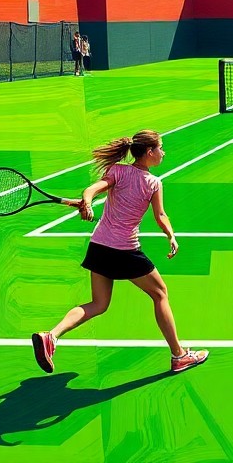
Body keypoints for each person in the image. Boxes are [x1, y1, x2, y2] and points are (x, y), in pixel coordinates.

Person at [31, 131, 208, 374]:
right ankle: (179, 356)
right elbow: (160, 216)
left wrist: (88, 201)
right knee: (160, 294)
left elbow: (92, 189)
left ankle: (51, 336)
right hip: (124, 250)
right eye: (160, 148)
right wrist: (171, 236)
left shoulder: (117, 171)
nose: (163, 153)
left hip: (99, 247)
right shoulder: (153, 183)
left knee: (98, 303)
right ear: (149, 152)